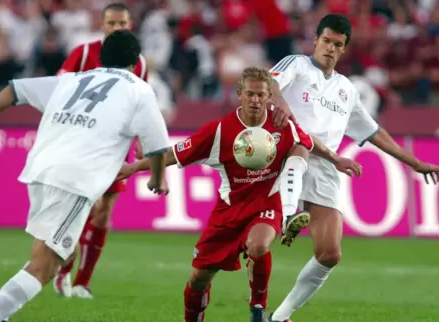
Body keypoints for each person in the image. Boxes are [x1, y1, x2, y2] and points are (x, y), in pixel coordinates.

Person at [117, 66, 362, 322]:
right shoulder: (219, 130)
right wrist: (133, 167)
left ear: (269, 97)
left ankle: (258, 310)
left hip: (267, 203)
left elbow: (309, 142)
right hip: (229, 211)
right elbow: (173, 154)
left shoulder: (281, 124)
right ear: (239, 95)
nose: (256, 100)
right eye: (250, 94)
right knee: (199, 278)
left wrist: (335, 159)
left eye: (261, 95)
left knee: (258, 245)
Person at [266, 14, 439, 322]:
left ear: (344, 49)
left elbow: (373, 132)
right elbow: (268, 80)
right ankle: (288, 213)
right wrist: (280, 101)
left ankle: (279, 317)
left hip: (325, 166)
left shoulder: (346, 90)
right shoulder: (296, 64)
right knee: (300, 145)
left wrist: (414, 163)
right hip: (287, 152)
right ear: (315, 40)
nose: (330, 49)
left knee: (329, 254)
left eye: (338, 45)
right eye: (326, 41)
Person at [0, 30, 170, 322]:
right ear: (136, 63)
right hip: (74, 179)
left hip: (39, 169)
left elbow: (13, 91)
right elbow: (159, 148)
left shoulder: (72, 79)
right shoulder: (139, 89)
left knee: (51, 253)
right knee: (47, 265)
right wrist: (156, 177)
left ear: (101, 57)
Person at [53, 2, 150, 299]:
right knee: (86, 208)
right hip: (83, 142)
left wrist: (141, 143)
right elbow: (59, 87)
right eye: (112, 24)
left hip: (117, 144)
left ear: (129, 25)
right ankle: (64, 270)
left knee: (104, 211)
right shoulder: (84, 53)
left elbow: (140, 105)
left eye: (123, 24)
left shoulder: (140, 62)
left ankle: (83, 280)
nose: (117, 29)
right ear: (103, 25)